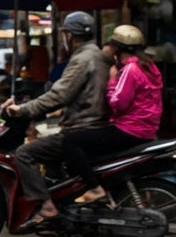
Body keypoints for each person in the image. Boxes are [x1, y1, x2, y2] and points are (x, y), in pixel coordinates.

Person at [2, 12, 113, 231]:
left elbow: (58, 95)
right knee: (51, 156)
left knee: (24, 154)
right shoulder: (99, 55)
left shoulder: (82, 59)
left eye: (65, 34)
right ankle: (67, 202)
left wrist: (23, 110)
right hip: (96, 124)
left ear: (70, 35)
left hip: (81, 127)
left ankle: (47, 206)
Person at [62, 25, 162, 206]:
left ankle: (95, 188)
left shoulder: (129, 70)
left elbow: (118, 103)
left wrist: (112, 79)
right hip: (147, 129)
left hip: (130, 130)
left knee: (72, 141)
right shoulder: (149, 66)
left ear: (115, 48)